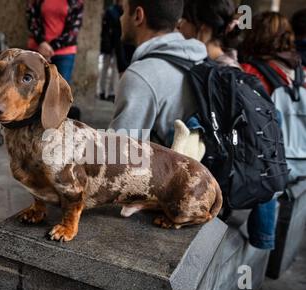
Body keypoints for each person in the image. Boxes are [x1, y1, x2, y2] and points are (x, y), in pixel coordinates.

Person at [178, 0, 280, 251]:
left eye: (186, 20)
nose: (180, 25)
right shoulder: (237, 69)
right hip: (245, 192)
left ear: (201, 29)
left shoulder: (208, 74)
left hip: (216, 194)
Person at [109, 0, 208, 145]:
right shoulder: (201, 60)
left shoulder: (141, 76)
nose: (120, 18)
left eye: (124, 11)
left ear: (138, 16)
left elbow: (117, 156)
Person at [27, 0, 84, 84]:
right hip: (37, 48)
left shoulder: (76, 2)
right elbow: (31, 18)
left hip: (64, 53)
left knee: (59, 91)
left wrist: (50, 47)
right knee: (32, 90)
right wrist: (41, 42)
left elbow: (73, 29)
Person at [99, 0, 123, 102]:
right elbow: (105, 29)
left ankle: (112, 92)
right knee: (105, 67)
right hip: (109, 43)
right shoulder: (110, 11)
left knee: (115, 69)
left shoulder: (122, 11)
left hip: (118, 43)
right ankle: (102, 91)